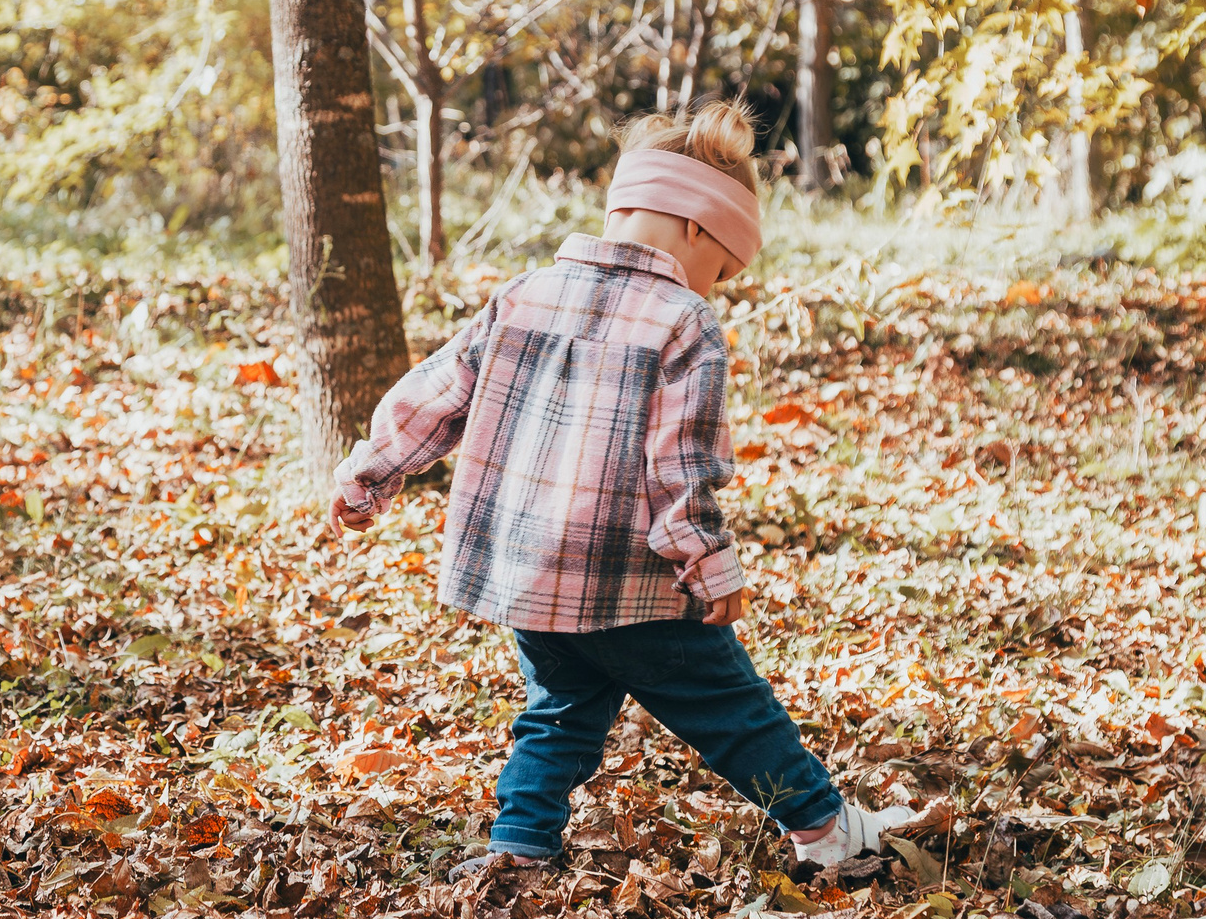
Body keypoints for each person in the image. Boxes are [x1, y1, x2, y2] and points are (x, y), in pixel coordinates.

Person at [330, 101, 915, 876]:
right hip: (627, 573)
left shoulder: (525, 292)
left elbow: (438, 391)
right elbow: (683, 462)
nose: (720, 287)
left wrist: (370, 472)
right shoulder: (683, 319)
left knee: (560, 708)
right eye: (725, 268)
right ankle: (824, 828)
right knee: (730, 705)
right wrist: (707, 563)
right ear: (696, 227)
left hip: (529, 570)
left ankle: (521, 844)